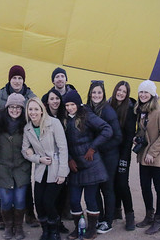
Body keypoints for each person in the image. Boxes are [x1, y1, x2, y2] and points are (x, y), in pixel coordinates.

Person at [0, 65, 39, 229]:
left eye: (20, 78)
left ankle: (29, 214)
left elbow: (38, 111)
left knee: (24, 183)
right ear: (9, 79)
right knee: (2, 185)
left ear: (23, 80)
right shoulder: (0, 95)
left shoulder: (30, 95)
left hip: (21, 147)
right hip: (3, 147)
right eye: (14, 78)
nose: (17, 81)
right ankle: (2, 217)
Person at [62, 90, 112, 240]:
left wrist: (93, 147)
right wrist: (69, 158)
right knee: (74, 200)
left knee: (91, 199)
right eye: (67, 105)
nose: (70, 108)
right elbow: (63, 143)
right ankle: (78, 228)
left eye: (72, 104)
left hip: (91, 164)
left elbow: (107, 129)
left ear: (78, 104)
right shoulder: (64, 119)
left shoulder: (87, 116)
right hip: (75, 166)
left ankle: (91, 229)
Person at [21, 97, 69, 240]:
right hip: (41, 170)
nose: (33, 112)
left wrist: (62, 173)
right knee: (39, 204)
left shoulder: (54, 123)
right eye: (30, 109)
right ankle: (45, 230)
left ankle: (54, 231)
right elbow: (24, 150)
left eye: (36, 109)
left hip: (56, 169)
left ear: (42, 110)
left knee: (49, 201)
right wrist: (37, 158)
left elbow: (63, 148)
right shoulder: (27, 128)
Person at [133, 80, 160, 235]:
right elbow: (142, 131)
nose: (143, 95)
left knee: (159, 187)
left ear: (152, 94)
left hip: (158, 155)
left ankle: (158, 220)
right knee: (145, 185)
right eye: (141, 92)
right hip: (144, 155)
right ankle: (149, 215)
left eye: (146, 92)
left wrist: (152, 153)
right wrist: (136, 138)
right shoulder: (141, 110)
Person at [0, 93, 31, 239]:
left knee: (20, 199)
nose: (15, 110)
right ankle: (8, 226)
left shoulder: (27, 123)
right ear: (7, 107)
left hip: (21, 167)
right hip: (2, 167)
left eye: (19, 108)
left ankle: (19, 226)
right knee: (6, 199)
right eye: (12, 107)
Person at [85, 80, 122, 234]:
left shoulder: (108, 111)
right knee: (95, 187)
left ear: (104, 94)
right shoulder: (87, 109)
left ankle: (108, 221)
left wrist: (99, 149)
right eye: (94, 92)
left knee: (107, 188)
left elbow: (118, 137)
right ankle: (99, 218)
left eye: (99, 92)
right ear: (89, 94)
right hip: (95, 157)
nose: (96, 95)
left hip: (108, 157)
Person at [41, 88, 71, 234]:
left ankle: (58, 222)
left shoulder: (64, 115)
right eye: (52, 99)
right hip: (49, 162)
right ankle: (50, 224)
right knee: (48, 197)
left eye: (57, 98)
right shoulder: (43, 117)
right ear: (47, 101)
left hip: (64, 159)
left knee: (61, 195)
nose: (55, 101)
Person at [109, 81, 136, 231]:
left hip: (123, 153)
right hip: (110, 152)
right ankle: (116, 211)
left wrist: (124, 158)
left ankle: (130, 215)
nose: (120, 93)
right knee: (112, 182)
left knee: (122, 184)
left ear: (127, 94)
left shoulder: (130, 110)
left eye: (124, 91)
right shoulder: (109, 105)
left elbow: (129, 136)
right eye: (119, 90)